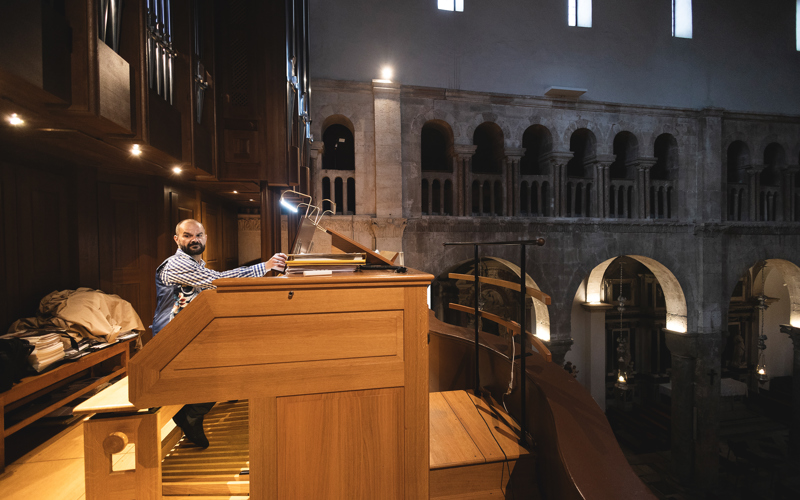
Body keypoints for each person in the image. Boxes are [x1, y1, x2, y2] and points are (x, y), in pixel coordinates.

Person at [152, 219, 287, 448]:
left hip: (191, 333)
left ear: (205, 238)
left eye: (198, 235)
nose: (194, 240)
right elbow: (217, 281)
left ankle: (211, 404)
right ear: (177, 239)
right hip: (172, 338)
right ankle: (191, 413)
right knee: (234, 359)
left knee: (246, 349)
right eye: (187, 236)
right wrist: (264, 267)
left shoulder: (196, 265)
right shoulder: (175, 264)